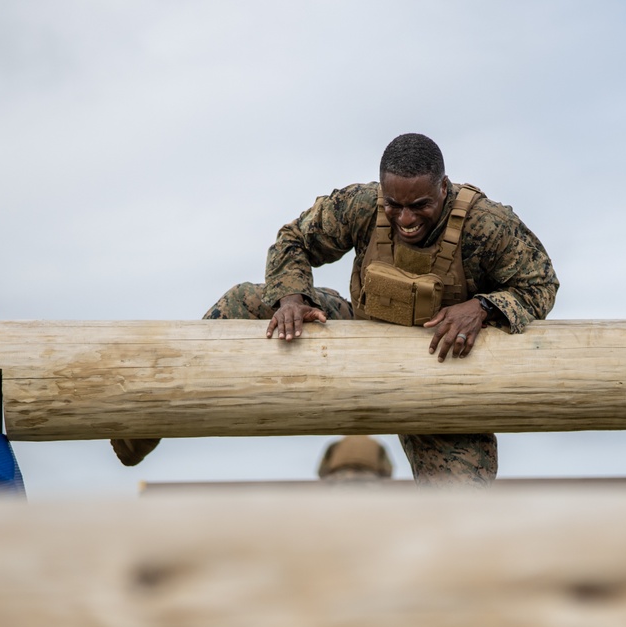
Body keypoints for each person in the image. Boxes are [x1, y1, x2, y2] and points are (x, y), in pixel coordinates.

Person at [112, 133, 558, 487]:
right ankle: (141, 424)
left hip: (438, 364)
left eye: (420, 205)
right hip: (359, 330)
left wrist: (481, 307)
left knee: (462, 509)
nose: (405, 219)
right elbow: (294, 238)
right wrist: (292, 298)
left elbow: (541, 285)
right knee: (243, 298)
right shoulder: (361, 206)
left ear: (444, 187)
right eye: (394, 204)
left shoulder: (488, 224)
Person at [317, 435, 394, 484]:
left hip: (339, 477)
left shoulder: (336, 444)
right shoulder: (377, 444)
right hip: (369, 478)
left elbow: (322, 470)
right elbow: (387, 470)